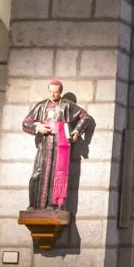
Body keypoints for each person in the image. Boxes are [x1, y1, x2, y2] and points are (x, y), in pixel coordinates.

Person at [21, 80, 93, 210]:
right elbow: (26, 123)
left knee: (57, 175)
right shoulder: (41, 106)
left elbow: (85, 117)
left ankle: (54, 205)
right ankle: (34, 205)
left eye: (56, 92)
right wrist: (38, 128)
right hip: (44, 144)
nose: (53, 95)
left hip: (61, 144)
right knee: (37, 174)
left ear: (60, 92)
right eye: (51, 92)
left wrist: (77, 132)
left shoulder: (67, 105)